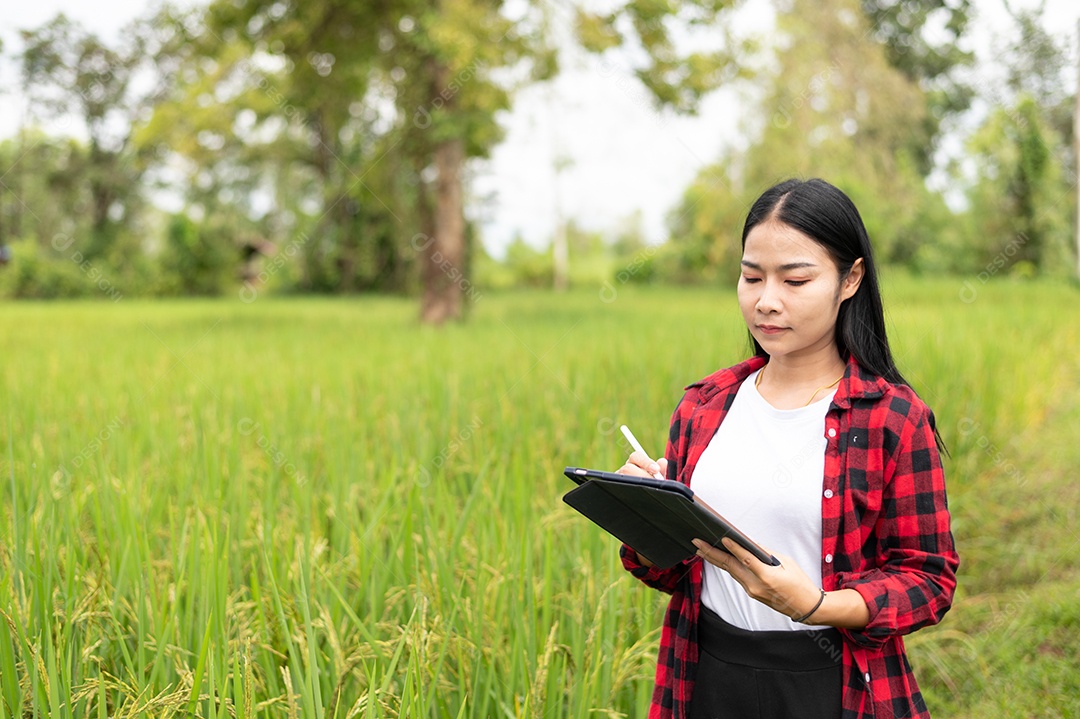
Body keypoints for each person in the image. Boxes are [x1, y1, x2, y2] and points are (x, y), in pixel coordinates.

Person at [616, 178, 959, 719]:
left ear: (851, 279)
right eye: (751, 277)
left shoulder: (891, 418)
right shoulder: (705, 407)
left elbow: (929, 579)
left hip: (831, 680)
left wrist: (817, 606)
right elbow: (671, 570)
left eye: (795, 279)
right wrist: (644, 515)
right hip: (706, 672)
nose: (766, 300)